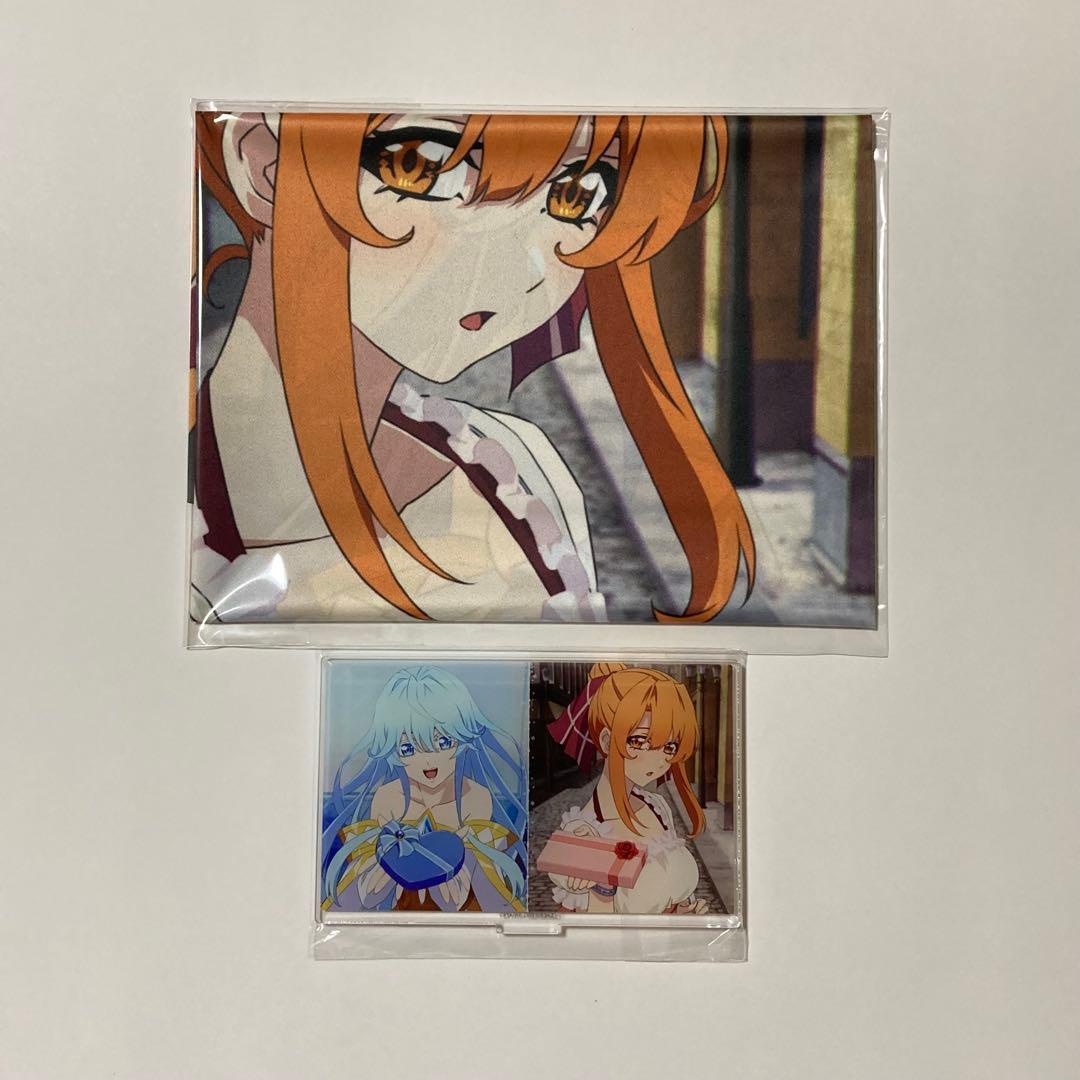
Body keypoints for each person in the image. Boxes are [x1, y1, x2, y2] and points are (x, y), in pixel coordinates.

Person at [190, 110, 754, 625]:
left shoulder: (523, 469)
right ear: (263, 165)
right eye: (422, 166)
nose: (520, 265)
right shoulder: (161, 508)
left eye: (576, 196)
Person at [321, 665, 528, 913]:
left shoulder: (474, 797)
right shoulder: (389, 798)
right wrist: (374, 878)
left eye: (443, 742)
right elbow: (366, 894)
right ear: (393, 751)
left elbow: (471, 894)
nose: (428, 760)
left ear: (462, 739)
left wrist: (464, 865)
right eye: (408, 748)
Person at [547, 663, 709, 914]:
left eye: (670, 747)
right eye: (640, 740)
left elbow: (666, 889)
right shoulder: (583, 832)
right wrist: (600, 888)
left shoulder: (657, 806)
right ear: (606, 741)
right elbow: (591, 926)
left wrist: (680, 915)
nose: (659, 760)